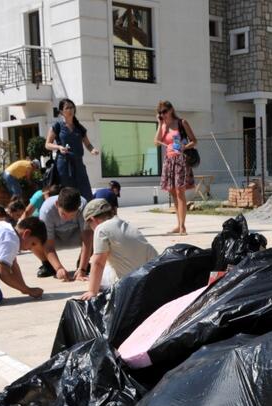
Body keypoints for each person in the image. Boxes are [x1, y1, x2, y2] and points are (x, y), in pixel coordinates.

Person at [80, 198, 158, 300]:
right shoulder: (125, 224)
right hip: (153, 276)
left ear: (93, 219)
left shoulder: (101, 229)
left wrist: (92, 291)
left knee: (93, 275)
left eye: (89, 225)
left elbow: (98, 263)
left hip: (132, 282)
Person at [154, 100, 197, 235]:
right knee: (173, 192)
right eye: (160, 112)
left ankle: (183, 226)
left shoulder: (181, 123)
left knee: (180, 192)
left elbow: (194, 141)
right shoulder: (163, 125)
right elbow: (156, 142)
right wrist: (160, 124)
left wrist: (184, 146)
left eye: (164, 111)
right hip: (169, 160)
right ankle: (178, 224)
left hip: (181, 160)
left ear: (171, 110)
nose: (162, 114)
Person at [45, 98, 99, 201]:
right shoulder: (57, 126)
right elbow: (47, 144)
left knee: (86, 193)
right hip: (63, 165)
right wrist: (59, 147)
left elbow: (88, 144)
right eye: (67, 108)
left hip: (78, 164)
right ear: (61, 111)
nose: (70, 110)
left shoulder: (79, 127)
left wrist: (92, 150)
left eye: (72, 107)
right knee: (67, 194)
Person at [36, 186, 92, 281]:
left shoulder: (83, 205)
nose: (68, 218)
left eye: (72, 215)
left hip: (75, 236)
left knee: (95, 232)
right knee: (34, 238)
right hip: (55, 239)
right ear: (57, 204)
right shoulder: (46, 210)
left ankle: (83, 264)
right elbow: (48, 245)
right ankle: (48, 265)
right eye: (63, 214)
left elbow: (87, 239)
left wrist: (82, 269)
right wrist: (59, 268)